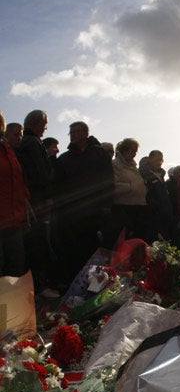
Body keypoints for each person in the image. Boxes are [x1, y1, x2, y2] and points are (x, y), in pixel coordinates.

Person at [54, 121, 114, 282]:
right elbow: (59, 185)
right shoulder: (64, 159)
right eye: (71, 132)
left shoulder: (99, 154)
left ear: (86, 133)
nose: (73, 135)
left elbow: (108, 179)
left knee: (91, 247)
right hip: (72, 213)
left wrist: (107, 203)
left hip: (94, 210)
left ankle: (93, 282)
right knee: (72, 249)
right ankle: (72, 283)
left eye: (76, 131)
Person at [16, 109, 57, 293]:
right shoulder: (32, 143)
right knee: (39, 243)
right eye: (44, 123)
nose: (46, 127)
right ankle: (39, 285)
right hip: (38, 201)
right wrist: (48, 195)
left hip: (31, 200)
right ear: (35, 123)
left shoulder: (27, 142)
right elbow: (41, 174)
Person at [0, 110, 28, 276]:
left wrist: (24, 196)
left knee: (16, 266)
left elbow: (16, 178)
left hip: (13, 218)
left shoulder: (7, 149)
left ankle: (12, 302)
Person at [112, 137, 151, 242]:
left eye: (135, 151)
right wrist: (131, 186)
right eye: (132, 150)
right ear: (124, 150)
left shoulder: (133, 167)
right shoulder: (115, 165)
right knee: (125, 242)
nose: (134, 154)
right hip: (124, 210)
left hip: (138, 209)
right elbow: (112, 187)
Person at [139, 150, 173, 241]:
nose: (160, 162)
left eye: (161, 160)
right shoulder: (143, 173)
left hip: (164, 215)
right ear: (150, 159)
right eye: (157, 159)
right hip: (151, 216)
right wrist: (154, 208)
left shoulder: (160, 175)